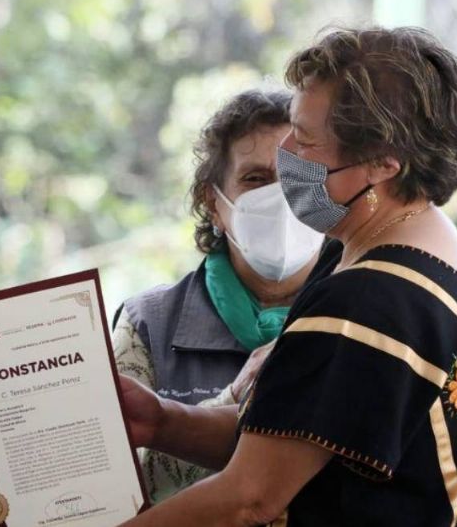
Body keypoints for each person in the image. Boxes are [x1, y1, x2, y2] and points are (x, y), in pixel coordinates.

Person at [118, 26, 457, 526]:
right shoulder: (426, 240)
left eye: (306, 140)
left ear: (382, 162)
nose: (286, 153)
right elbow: (294, 437)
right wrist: (164, 420)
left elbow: (250, 496)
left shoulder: (368, 298)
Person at [112, 89, 324, 502]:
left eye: (297, 178)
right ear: (214, 202)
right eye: (256, 179)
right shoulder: (147, 324)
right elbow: (116, 486)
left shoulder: (362, 316)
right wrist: (233, 400)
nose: (280, 200)